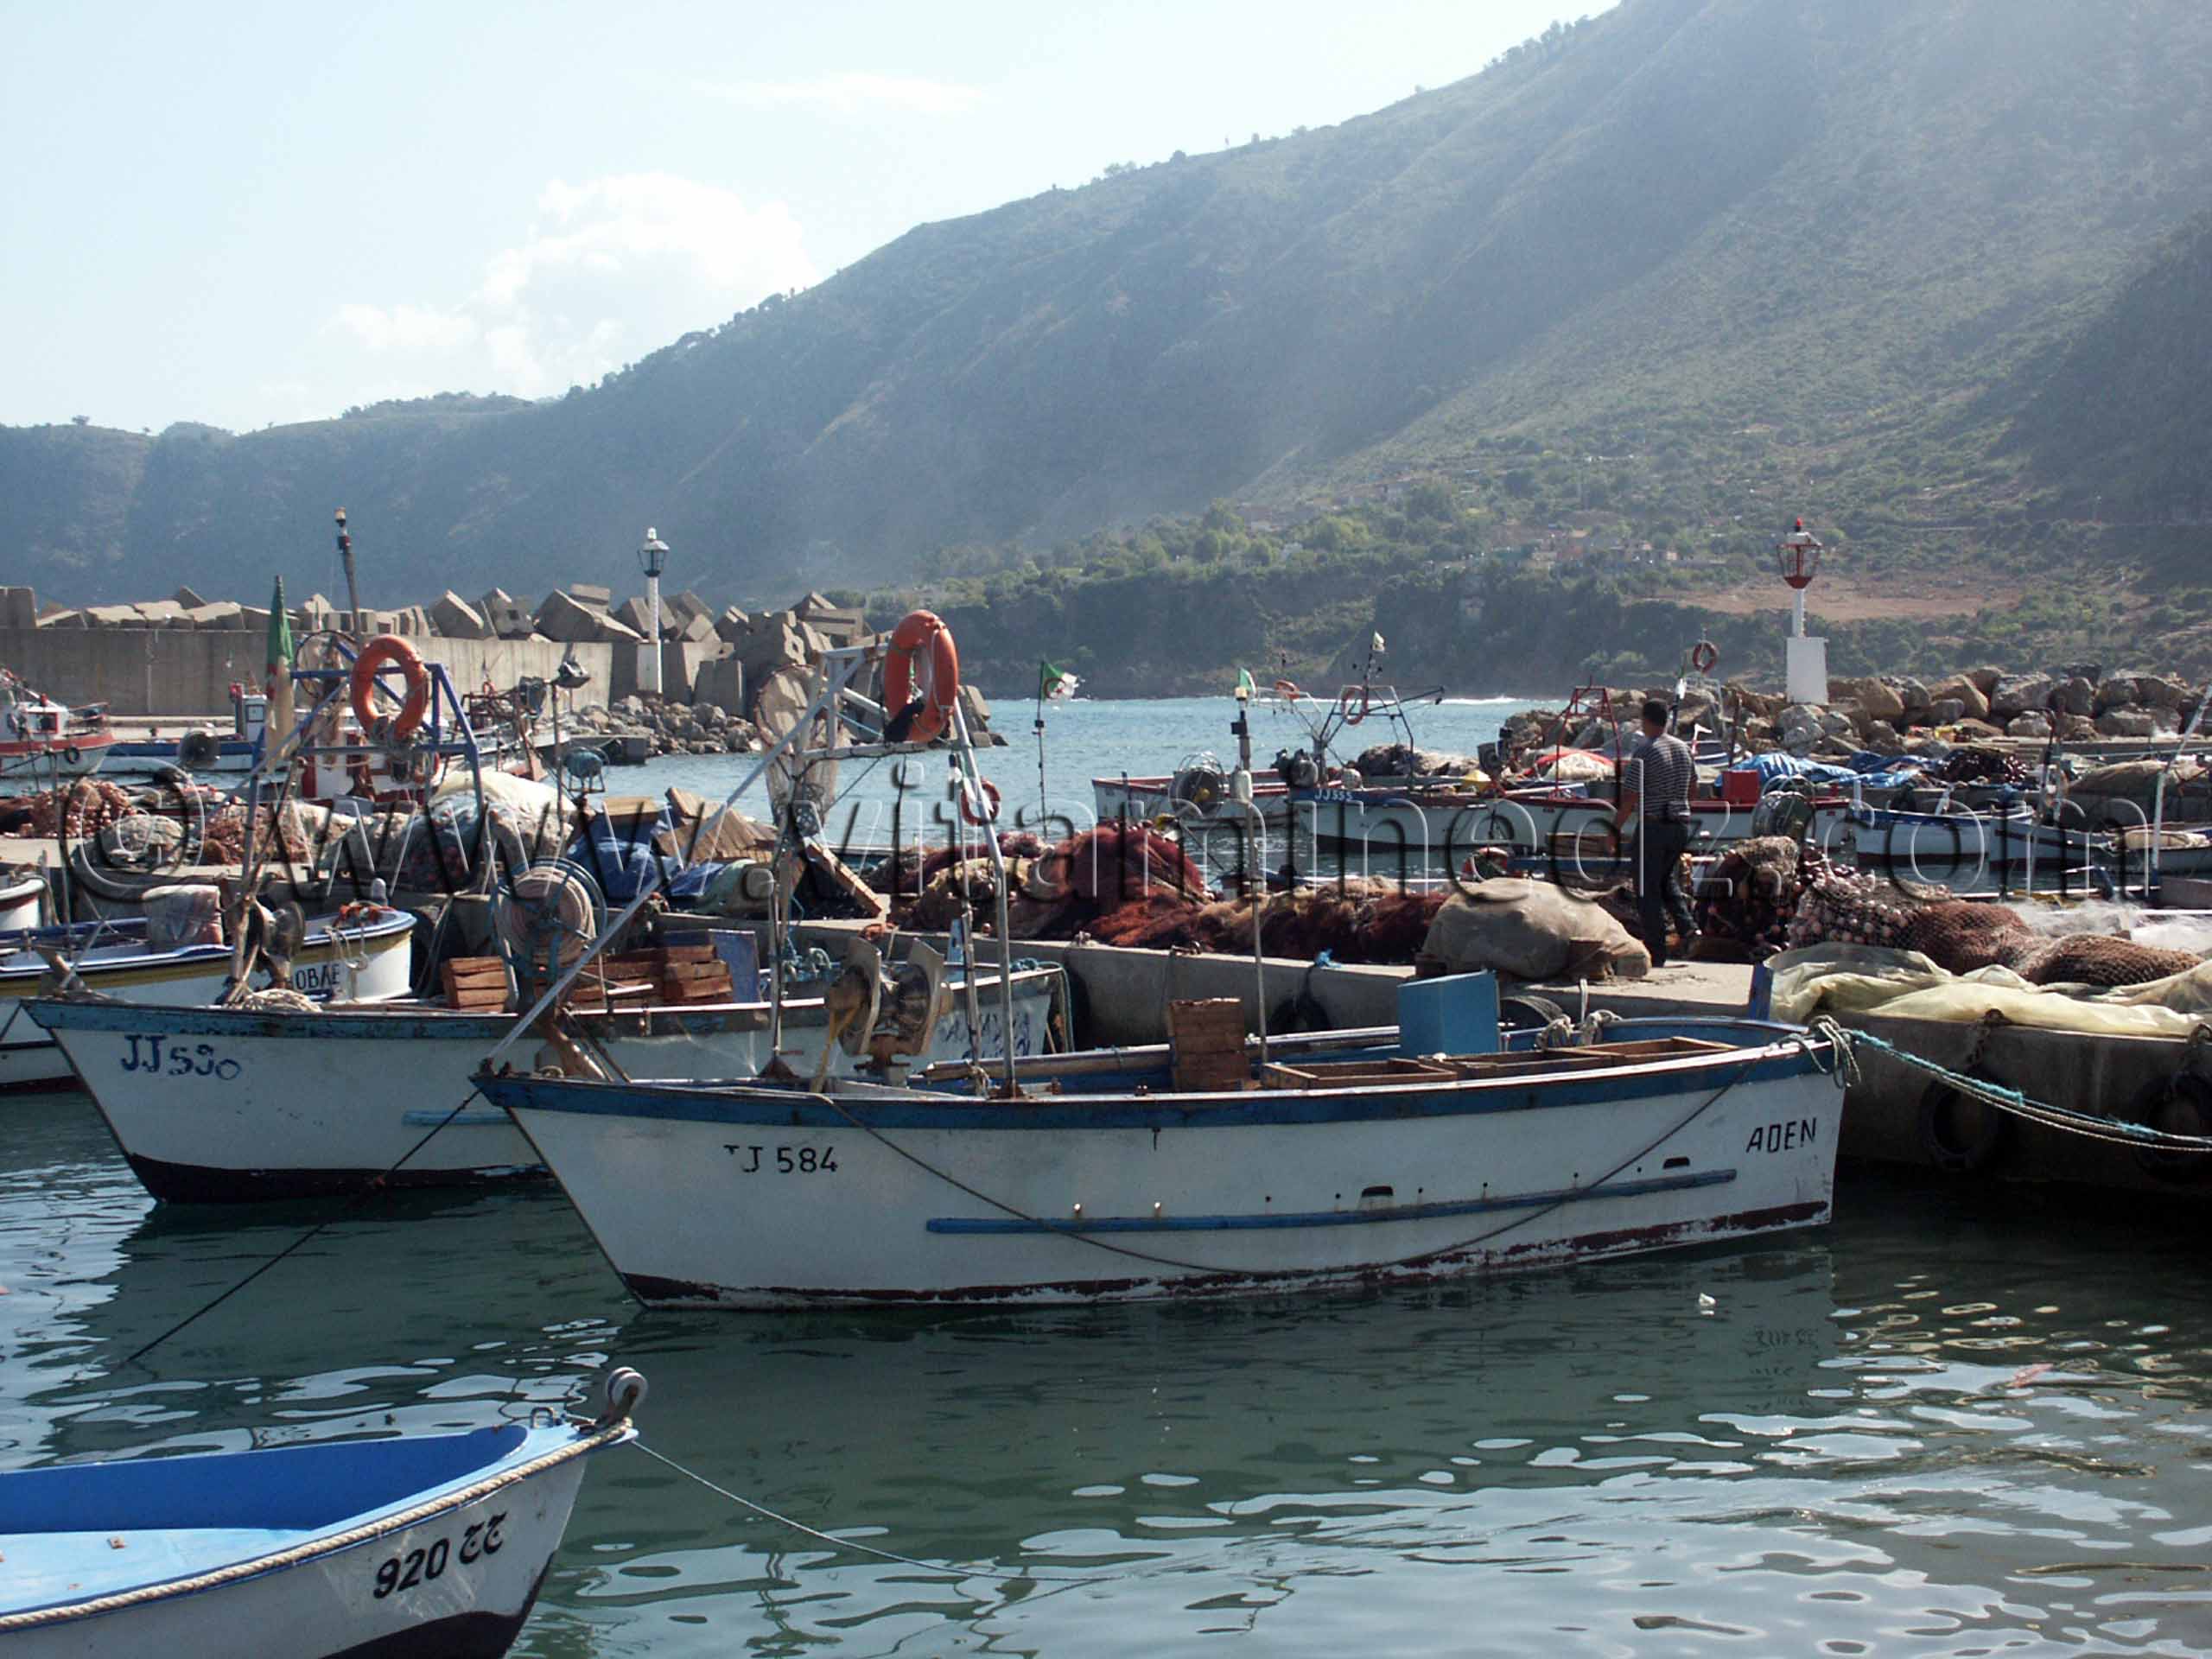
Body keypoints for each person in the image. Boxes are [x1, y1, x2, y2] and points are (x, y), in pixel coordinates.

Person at [1616, 696, 1697, 967]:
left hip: (1654, 826)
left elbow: (1630, 796)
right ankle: (1688, 927)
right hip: (1680, 826)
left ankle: (1656, 950)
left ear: (1646, 721)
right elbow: (1694, 786)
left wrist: (1614, 829)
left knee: (1645, 890)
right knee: (1664, 880)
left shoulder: (1645, 751)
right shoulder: (1683, 749)